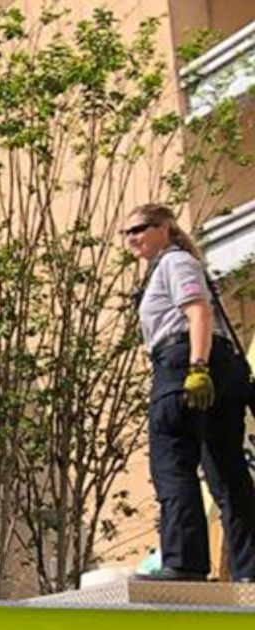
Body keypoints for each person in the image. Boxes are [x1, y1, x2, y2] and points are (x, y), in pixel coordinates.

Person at [124, 203, 255, 582]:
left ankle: (184, 563)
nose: (132, 237)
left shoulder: (174, 262)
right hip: (209, 364)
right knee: (226, 470)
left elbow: (198, 313)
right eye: (127, 232)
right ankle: (248, 569)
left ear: (165, 227)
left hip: (187, 362)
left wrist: (197, 368)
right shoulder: (166, 266)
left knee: (173, 462)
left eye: (140, 228)